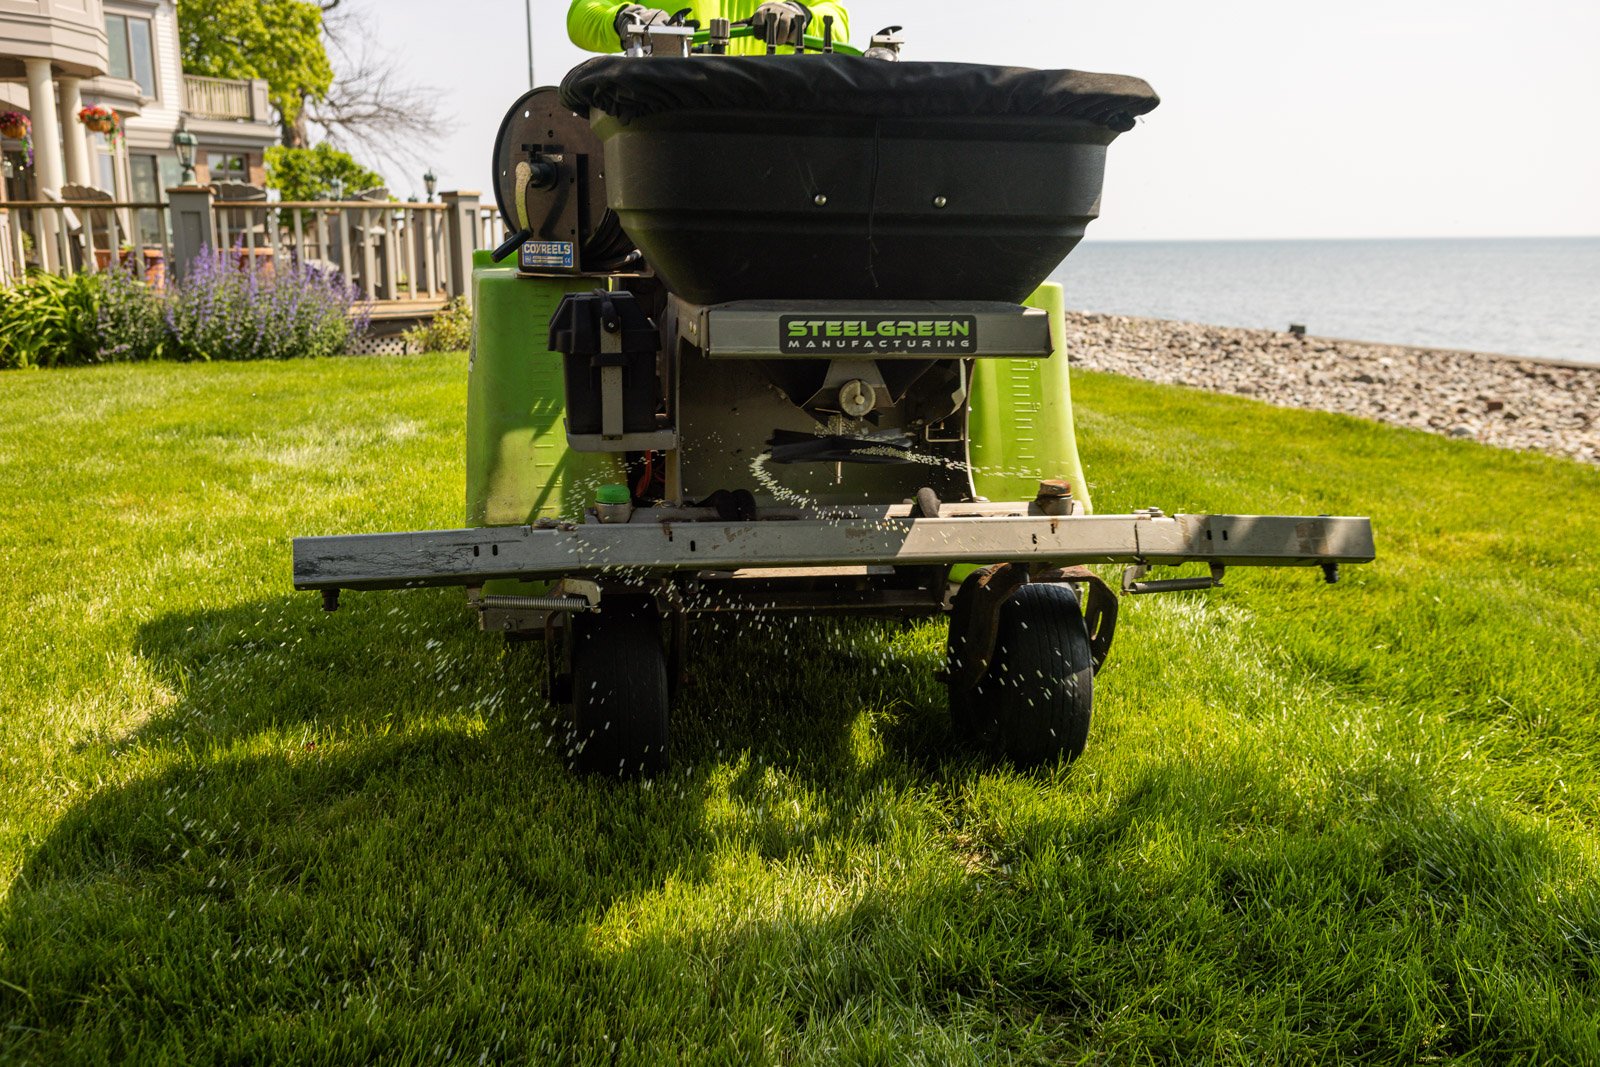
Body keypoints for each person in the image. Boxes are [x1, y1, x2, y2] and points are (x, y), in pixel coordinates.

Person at [567, 1, 851, 55]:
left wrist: (799, 13)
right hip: (670, 117)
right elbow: (581, 14)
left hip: (771, 114)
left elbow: (836, 19)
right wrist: (627, 17)